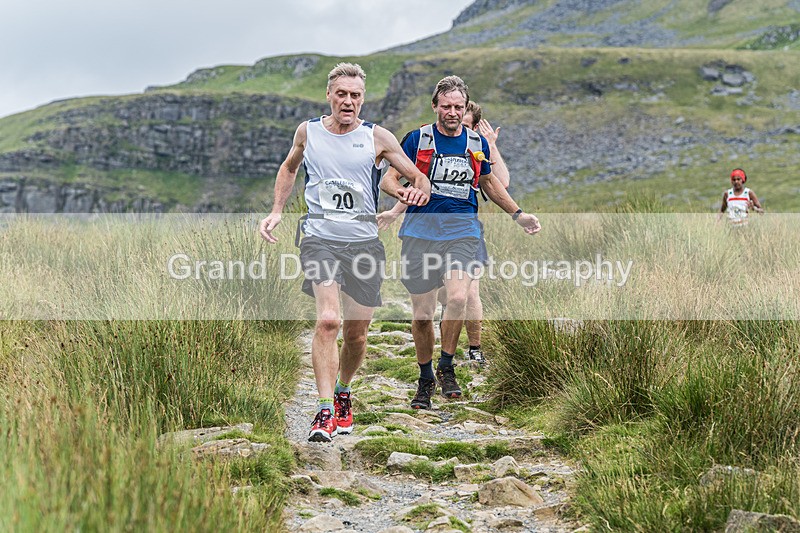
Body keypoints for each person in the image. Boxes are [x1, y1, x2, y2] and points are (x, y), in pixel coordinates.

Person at [259, 62, 431, 442]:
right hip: (319, 238)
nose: (348, 101)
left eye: (355, 95)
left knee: (355, 334)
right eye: (342, 94)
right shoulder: (309, 132)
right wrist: (275, 211)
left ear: (362, 99)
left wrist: (414, 192)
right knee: (328, 321)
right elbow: (289, 168)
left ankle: (342, 391)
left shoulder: (377, 137)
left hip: (364, 242)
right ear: (329, 95)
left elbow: (418, 176)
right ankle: (322, 412)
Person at [379, 75, 541, 410]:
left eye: (459, 106)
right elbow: (388, 179)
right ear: (435, 106)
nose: (453, 112)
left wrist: (518, 213)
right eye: (447, 106)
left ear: (466, 108)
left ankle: (447, 365)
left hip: (463, 232)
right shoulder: (417, 139)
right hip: (420, 234)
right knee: (423, 316)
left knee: (457, 297)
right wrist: (402, 192)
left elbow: (489, 183)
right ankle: (425, 378)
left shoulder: (474, 143)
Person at [377, 101, 511, 365]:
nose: (458, 125)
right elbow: (421, 184)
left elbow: (500, 183)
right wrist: (394, 212)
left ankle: (473, 348)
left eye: (466, 122)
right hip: (427, 231)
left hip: (466, 230)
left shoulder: (477, 146)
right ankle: (439, 342)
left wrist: (491, 145)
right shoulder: (428, 143)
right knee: (442, 296)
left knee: (468, 293)